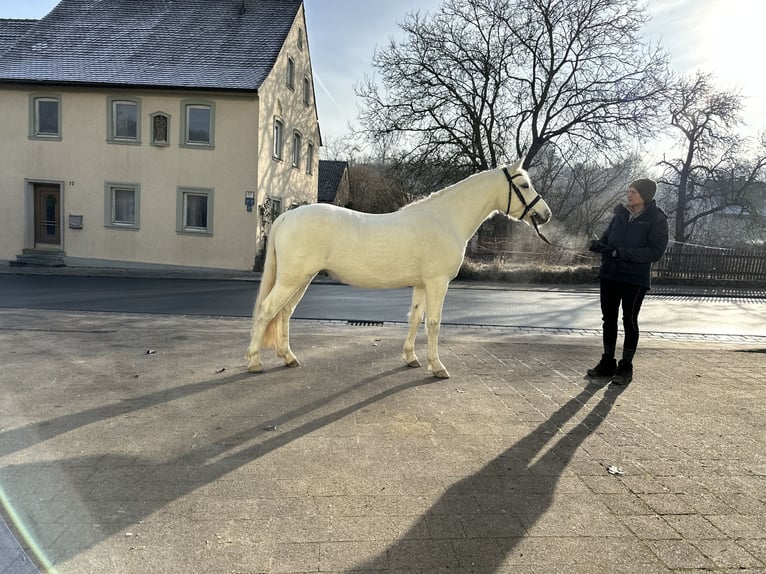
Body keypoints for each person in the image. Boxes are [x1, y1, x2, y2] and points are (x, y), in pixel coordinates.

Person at [587, 178, 669, 385]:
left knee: (629, 321)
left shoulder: (656, 219)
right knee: (609, 320)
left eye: (633, 192)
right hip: (610, 275)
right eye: (628, 190)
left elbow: (655, 251)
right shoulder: (620, 214)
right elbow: (607, 239)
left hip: (634, 278)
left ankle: (625, 367)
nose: (629, 195)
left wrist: (624, 253)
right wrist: (599, 245)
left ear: (645, 196)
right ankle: (607, 362)